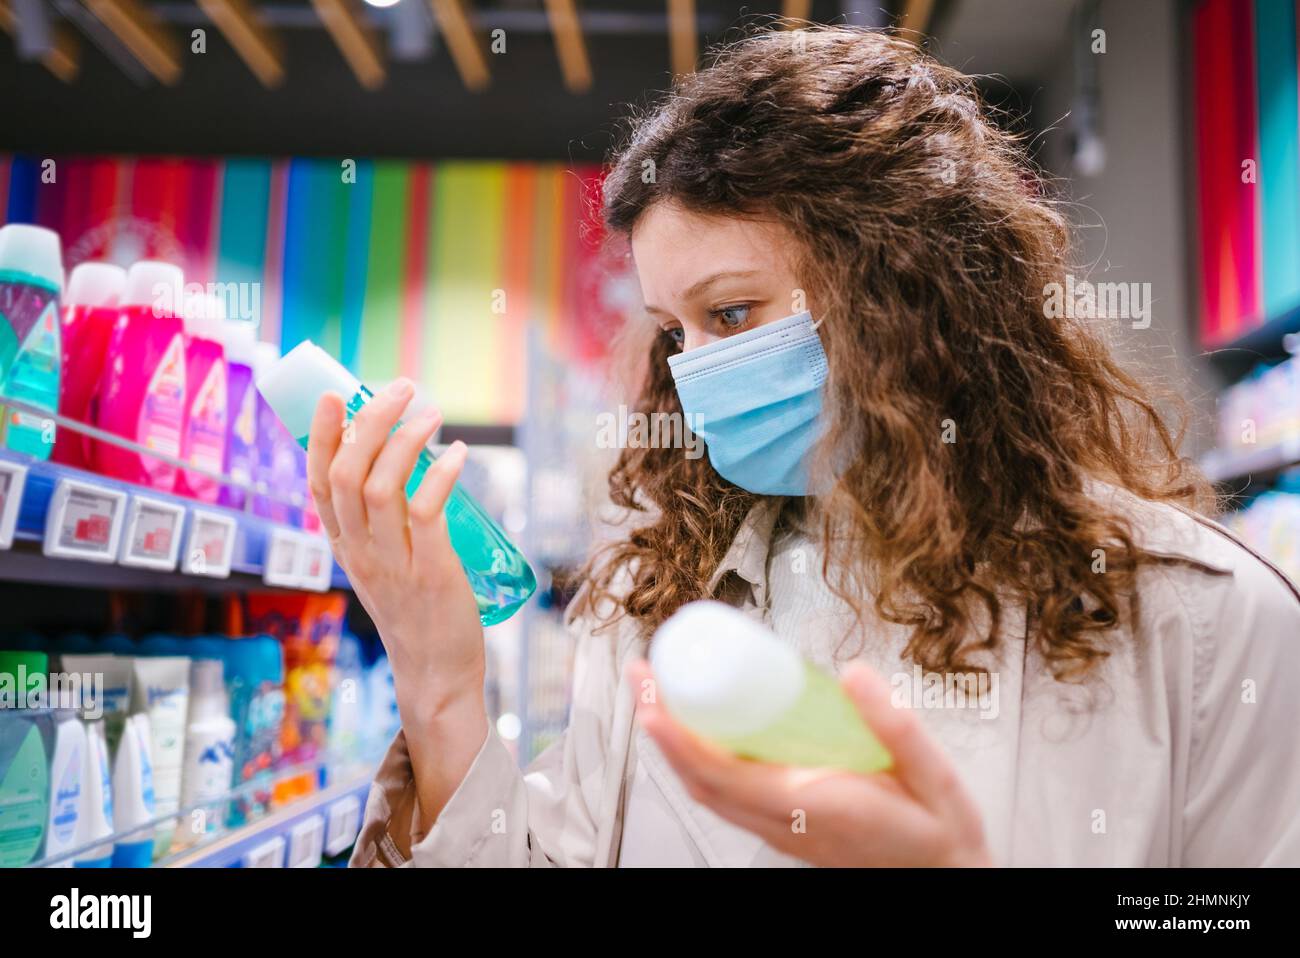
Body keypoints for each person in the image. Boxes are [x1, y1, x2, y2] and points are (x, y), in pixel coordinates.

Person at [308, 26, 1300, 867]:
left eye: (732, 312)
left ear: (910, 289)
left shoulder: (1199, 622)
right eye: (673, 330)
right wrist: (438, 683)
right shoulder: (654, 604)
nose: (693, 372)